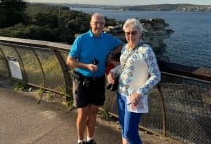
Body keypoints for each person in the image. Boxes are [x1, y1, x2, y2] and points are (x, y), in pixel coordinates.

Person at [67, 13, 123, 144]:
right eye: (96, 22)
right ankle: (80, 140)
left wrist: (112, 53)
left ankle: (90, 138)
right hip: (82, 79)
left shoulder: (108, 39)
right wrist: (86, 66)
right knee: (83, 112)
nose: (98, 25)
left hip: (98, 80)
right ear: (91, 24)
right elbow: (70, 61)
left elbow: (122, 45)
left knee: (94, 111)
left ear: (104, 25)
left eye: (101, 23)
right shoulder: (81, 39)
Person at [107, 18, 161, 144]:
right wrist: (113, 72)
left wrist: (140, 92)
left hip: (134, 97)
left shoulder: (146, 50)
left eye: (134, 32)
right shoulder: (125, 48)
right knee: (123, 129)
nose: (130, 36)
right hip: (121, 94)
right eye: (127, 33)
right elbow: (123, 66)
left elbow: (156, 75)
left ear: (140, 33)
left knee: (130, 133)